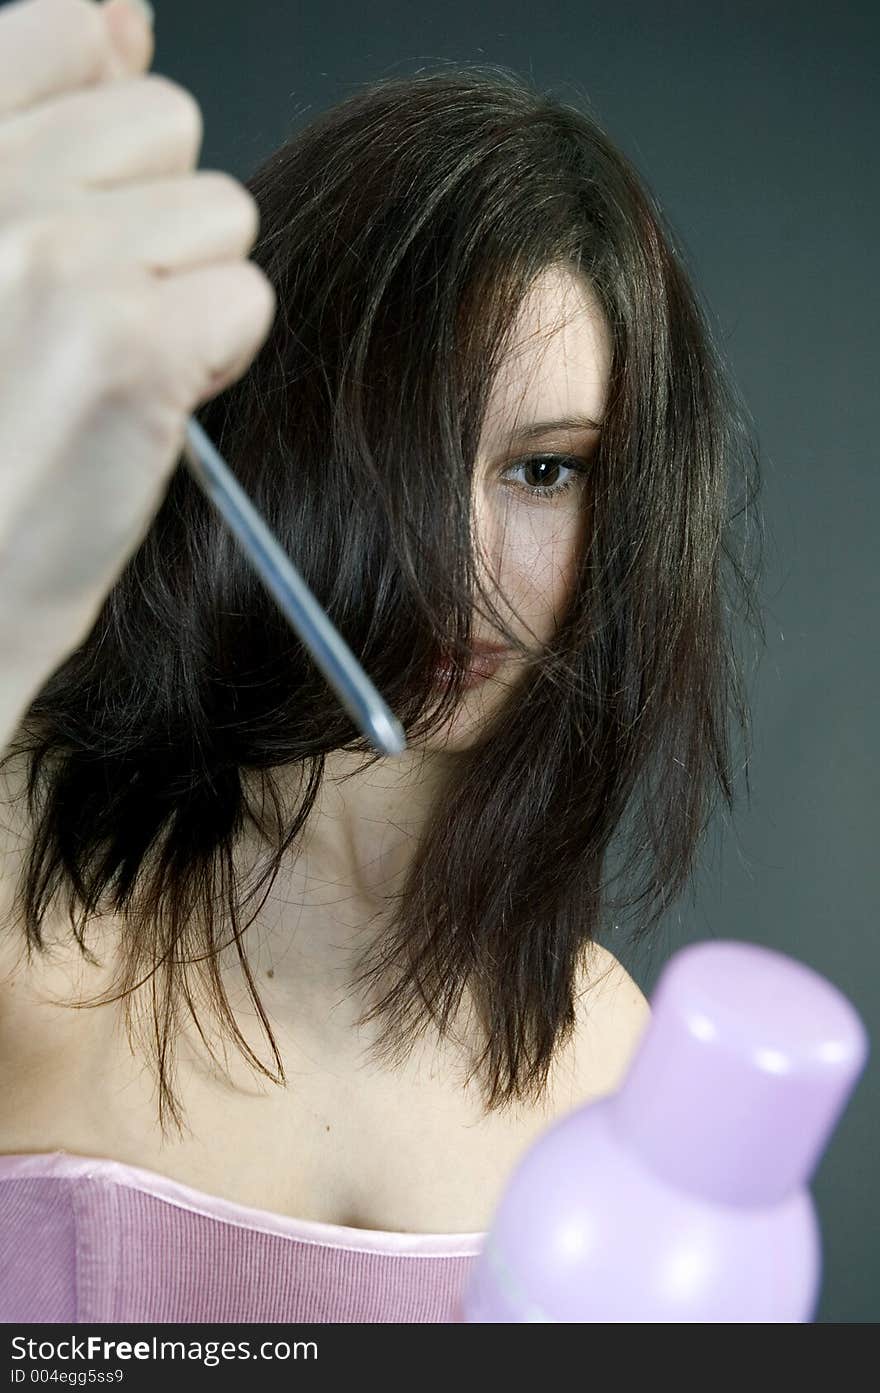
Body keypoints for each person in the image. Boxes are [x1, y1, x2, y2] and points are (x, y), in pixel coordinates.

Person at [0, 0, 764, 1323]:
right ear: (261, 439)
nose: (454, 569)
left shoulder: (612, 1055)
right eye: (400, 449)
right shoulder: (43, 901)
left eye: (543, 469)